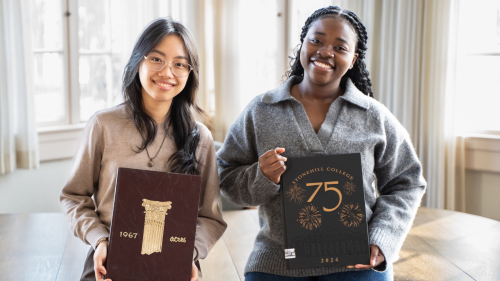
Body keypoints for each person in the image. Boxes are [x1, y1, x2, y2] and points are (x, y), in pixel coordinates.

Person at [217, 6, 426, 281]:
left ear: (353, 60)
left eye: (340, 47)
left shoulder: (374, 116)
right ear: (302, 44)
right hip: (278, 261)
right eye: (316, 40)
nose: (326, 51)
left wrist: (382, 238)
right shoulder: (262, 110)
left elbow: (407, 181)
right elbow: (226, 172)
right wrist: (261, 176)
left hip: (355, 260)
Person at [60, 18, 226, 281]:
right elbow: (73, 197)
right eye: (157, 59)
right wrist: (98, 239)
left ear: (189, 72)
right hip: (109, 260)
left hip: (176, 266)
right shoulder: (103, 125)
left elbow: (211, 217)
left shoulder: (201, 137)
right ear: (138, 60)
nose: (167, 72)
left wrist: (190, 254)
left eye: (180, 64)